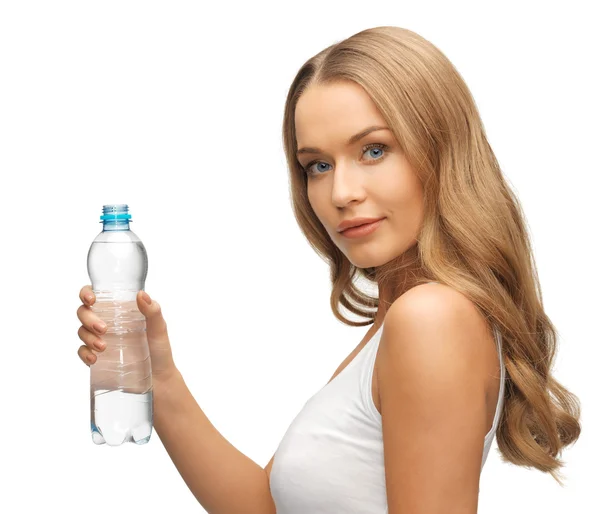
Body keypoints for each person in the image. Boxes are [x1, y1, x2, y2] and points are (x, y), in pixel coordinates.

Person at [75, 26, 582, 513]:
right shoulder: (399, 321)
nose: (341, 193)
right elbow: (269, 509)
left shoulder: (430, 318)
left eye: (374, 150)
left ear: (442, 150)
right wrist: (156, 374)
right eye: (317, 164)